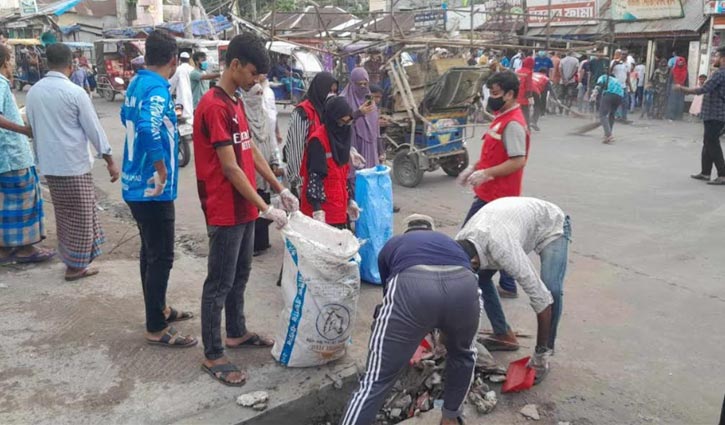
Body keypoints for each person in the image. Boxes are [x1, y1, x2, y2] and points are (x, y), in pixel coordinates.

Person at [194, 33, 298, 386]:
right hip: (224, 208)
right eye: (253, 73)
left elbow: (249, 152)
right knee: (219, 282)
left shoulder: (235, 102)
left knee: (240, 275)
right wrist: (266, 206)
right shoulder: (213, 106)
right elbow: (230, 168)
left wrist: (280, 189)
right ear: (235, 65)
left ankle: (236, 332)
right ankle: (212, 352)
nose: (256, 81)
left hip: (243, 208)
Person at [340, 214, 480, 425]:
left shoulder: (394, 243)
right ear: (431, 230)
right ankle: (450, 416)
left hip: (413, 287)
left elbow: (389, 296)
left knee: (376, 379)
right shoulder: (450, 243)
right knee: (463, 355)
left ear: (406, 231)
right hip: (465, 286)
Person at [121, 31, 196, 348]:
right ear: (172, 60)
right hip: (152, 188)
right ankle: (155, 326)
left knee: (149, 253)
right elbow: (147, 128)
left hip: (134, 183)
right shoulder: (156, 89)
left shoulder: (137, 83)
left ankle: (159, 309)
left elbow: (132, 119)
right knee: (161, 256)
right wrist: (162, 168)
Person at [26, 43, 119, 280]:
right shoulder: (74, 92)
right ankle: (75, 266)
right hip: (73, 165)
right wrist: (109, 159)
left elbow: (34, 128)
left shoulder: (34, 92)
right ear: (71, 64)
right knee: (82, 215)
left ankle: (74, 260)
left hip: (50, 165)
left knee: (66, 215)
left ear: (48, 63)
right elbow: (94, 130)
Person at [455, 196, 568, 381]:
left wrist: (538, 356)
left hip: (551, 225)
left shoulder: (502, 248)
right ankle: (503, 335)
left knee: (551, 289)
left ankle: (544, 354)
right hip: (510, 222)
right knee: (480, 279)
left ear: (475, 262)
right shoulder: (460, 241)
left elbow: (541, 299)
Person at [457, 70, 529, 304]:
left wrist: (486, 174)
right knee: (502, 241)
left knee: (467, 237)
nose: (491, 97)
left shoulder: (514, 124)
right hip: (490, 193)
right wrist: (473, 169)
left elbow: (518, 160)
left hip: (498, 197)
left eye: (496, 93)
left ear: (509, 94)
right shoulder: (500, 117)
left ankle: (464, 283)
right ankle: (507, 284)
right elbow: (492, 154)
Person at [0, 44, 55, 265]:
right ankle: (25, 247)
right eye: (11, 58)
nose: (12, 62)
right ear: (5, 61)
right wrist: (25, 129)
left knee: (5, 204)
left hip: (6, 156)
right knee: (24, 200)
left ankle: (4, 249)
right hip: (12, 154)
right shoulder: (1, 83)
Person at [300, 96, 360, 228]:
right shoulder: (318, 141)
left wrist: (349, 200)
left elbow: (341, 177)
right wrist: (317, 211)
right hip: (322, 212)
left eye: (348, 122)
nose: (344, 127)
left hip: (339, 207)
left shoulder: (343, 141)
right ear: (332, 120)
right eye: (341, 122)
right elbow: (314, 178)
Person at [239, 79, 281, 256]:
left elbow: (270, 138)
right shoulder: (242, 115)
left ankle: (262, 242)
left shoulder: (263, 115)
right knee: (253, 201)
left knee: (265, 199)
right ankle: (252, 244)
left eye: (260, 94)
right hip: (249, 163)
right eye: (255, 94)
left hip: (264, 162)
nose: (258, 97)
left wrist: (274, 159)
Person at [283, 72, 339, 196]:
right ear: (320, 89)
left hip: (324, 178)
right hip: (305, 179)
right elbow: (295, 149)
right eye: (329, 91)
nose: (332, 95)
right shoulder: (302, 112)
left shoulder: (327, 112)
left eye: (335, 92)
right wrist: (297, 181)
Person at [675, 47, 725, 185]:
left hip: (715, 114)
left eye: (716, 56)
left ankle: (722, 174)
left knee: (712, 143)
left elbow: (703, 89)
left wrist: (683, 88)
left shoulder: (720, 74)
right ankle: (705, 172)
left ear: (723, 59)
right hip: (714, 114)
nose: (714, 59)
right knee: (708, 142)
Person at [342, 68, 379, 169]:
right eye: (359, 84)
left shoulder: (370, 100)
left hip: (370, 146)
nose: (362, 87)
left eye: (365, 84)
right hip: (353, 144)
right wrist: (358, 113)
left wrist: (381, 151)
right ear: (352, 83)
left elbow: (376, 126)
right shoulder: (344, 100)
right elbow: (341, 122)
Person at [591, 69, 625, 144]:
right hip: (620, 96)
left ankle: (609, 135)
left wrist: (593, 95)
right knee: (612, 114)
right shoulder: (616, 80)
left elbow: (598, 86)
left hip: (609, 94)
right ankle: (607, 134)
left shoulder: (603, 77)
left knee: (602, 114)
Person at [169, 51, 194, 123]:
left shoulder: (178, 69)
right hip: (192, 102)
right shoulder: (192, 69)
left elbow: (170, 85)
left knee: (179, 119)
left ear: (180, 59)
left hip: (180, 102)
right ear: (189, 60)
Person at [610, 49, 631, 121]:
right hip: (616, 85)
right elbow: (609, 72)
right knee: (617, 102)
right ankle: (617, 116)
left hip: (624, 86)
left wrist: (630, 87)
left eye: (625, 55)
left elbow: (628, 75)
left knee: (625, 102)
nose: (624, 56)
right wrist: (614, 64)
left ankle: (624, 117)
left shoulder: (627, 64)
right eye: (622, 54)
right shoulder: (613, 62)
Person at [666, 56, 688, 121]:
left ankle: (679, 117)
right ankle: (671, 116)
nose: (680, 63)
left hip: (682, 89)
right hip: (673, 89)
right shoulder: (673, 70)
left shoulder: (686, 71)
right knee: (672, 103)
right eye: (679, 62)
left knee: (680, 103)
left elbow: (687, 81)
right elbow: (669, 80)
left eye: (682, 62)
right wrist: (668, 90)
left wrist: (687, 90)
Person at [515, 56, 534, 127]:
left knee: (517, 111)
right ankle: (526, 127)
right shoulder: (529, 72)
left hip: (516, 94)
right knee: (525, 112)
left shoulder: (518, 71)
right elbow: (529, 85)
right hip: (524, 95)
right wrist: (530, 96)